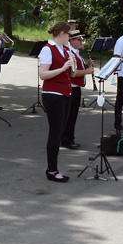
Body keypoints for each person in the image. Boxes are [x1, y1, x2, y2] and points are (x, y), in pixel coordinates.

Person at [38, 21, 76, 182]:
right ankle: (52, 170)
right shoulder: (48, 49)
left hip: (65, 93)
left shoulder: (65, 49)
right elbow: (43, 74)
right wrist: (62, 68)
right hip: (52, 94)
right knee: (55, 133)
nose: (70, 38)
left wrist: (72, 64)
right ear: (62, 34)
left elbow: (72, 75)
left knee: (60, 132)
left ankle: (53, 168)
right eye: (69, 35)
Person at [61, 30, 95, 149]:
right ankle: (67, 139)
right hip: (72, 88)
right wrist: (87, 71)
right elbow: (72, 73)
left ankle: (68, 137)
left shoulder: (76, 52)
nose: (82, 42)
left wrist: (86, 64)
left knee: (72, 114)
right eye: (79, 40)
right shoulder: (69, 53)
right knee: (70, 115)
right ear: (71, 40)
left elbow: (78, 67)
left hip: (76, 88)